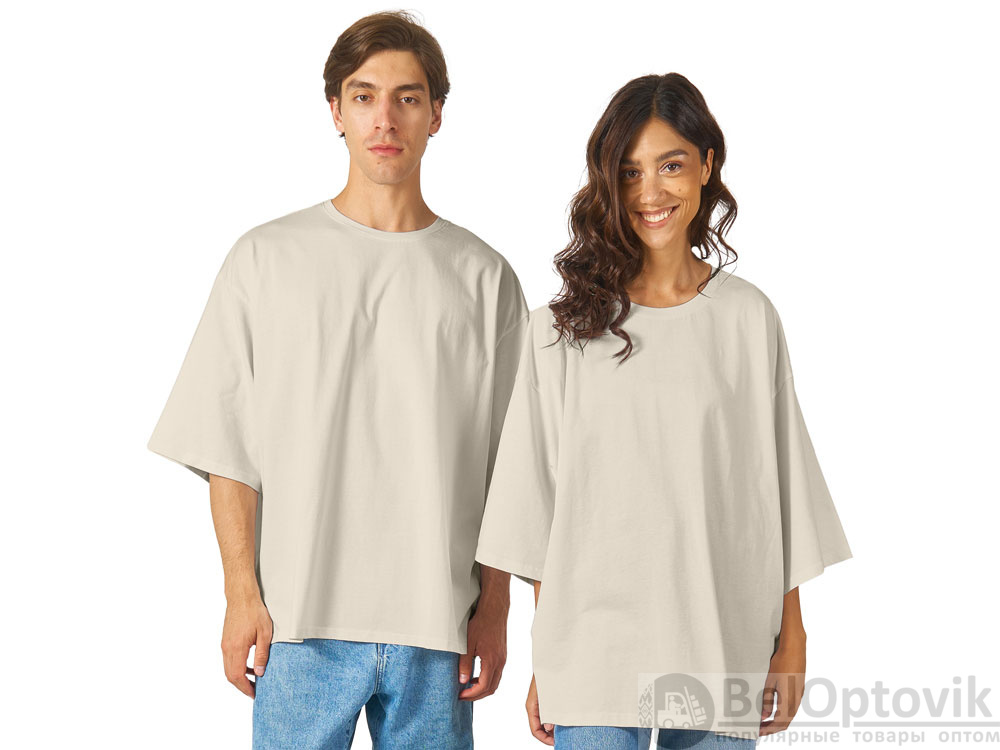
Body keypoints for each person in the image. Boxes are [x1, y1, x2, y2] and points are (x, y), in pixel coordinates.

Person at [147, 11, 526, 749]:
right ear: (335, 111)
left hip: (437, 627)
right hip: (297, 624)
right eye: (364, 96)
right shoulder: (266, 259)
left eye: (408, 98)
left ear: (436, 114)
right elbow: (227, 448)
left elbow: (508, 470)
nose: (385, 118)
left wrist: (496, 609)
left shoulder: (485, 278)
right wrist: (240, 595)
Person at [474, 73, 853, 750]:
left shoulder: (747, 320)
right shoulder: (557, 331)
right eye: (629, 172)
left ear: (707, 165)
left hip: (722, 641)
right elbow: (535, 506)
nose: (649, 193)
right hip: (592, 656)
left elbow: (779, 497)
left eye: (670, 165)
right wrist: (551, 659)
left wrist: (792, 638)